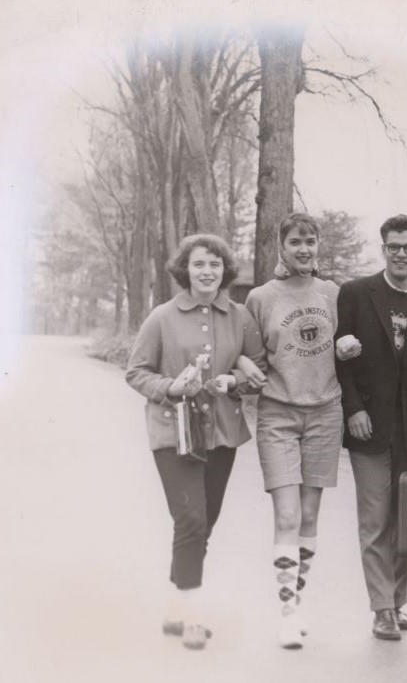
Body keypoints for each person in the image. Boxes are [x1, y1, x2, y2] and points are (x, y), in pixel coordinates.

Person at [126, 234, 266, 650]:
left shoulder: (238, 316)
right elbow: (136, 372)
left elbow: (259, 364)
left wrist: (235, 379)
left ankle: (175, 610)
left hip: (221, 433)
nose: (207, 272)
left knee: (203, 525)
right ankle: (188, 616)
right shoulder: (162, 317)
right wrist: (171, 386)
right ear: (185, 270)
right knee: (190, 521)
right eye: (199, 264)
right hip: (175, 433)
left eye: (215, 265)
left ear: (225, 271)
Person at [335, 214, 407, 641]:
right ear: (383, 248)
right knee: (374, 519)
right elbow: (341, 361)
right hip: (367, 427)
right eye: (394, 246)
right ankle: (381, 607)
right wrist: (353, 409)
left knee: (406, 519)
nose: (401, 254)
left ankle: (399, 601)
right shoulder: (355, 294)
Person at [243, 213, 344, 649]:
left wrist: (348, 348)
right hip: (278, 414)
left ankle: (296, 601)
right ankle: (287, 612)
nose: (304, 248)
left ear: (318, 245)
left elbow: (350, 345)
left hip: (325, 411)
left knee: (307, 516)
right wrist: (243, 365)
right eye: (296, 242)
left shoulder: (333, 294)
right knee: (285, 515)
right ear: (281, 246)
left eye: (310, 241)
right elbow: (246, 354)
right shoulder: (261, 298)